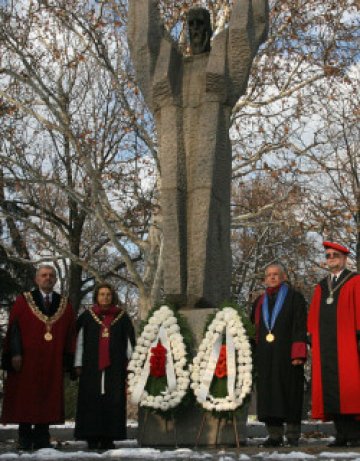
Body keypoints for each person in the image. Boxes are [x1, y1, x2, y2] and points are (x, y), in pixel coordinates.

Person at [128, 0, 269, 308]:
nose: (195, 31)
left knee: (204, 210)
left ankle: (203, 291)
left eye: (200, 25)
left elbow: (249, 26)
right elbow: (142, 41)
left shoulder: (223, 60)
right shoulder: (170, 68)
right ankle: (179, 292)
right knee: (175, 206)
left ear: (208, 28)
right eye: (190, 25)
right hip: (174, 141)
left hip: (210, 145)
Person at [1, 265, 76, 450]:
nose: (47, 278)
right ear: (37, 279)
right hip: (27, 360)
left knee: (47, 396)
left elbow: (70, 333)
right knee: (25, 396)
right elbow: (15, 329)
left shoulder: (64, 304)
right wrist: (15, 353)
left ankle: (42, 437)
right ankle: (25, 437)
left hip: (52, 360)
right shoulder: (24, 300)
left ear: (56, 280)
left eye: (51, 275)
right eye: (43, 275)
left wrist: (68, 360)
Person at [308, 241, 360, 447]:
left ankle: (355, 434)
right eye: (328, 256)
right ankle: (341, 435)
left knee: (350, 389)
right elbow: (313, 316)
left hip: (348, 345)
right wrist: (313, 337)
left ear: (344, 258)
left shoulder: (355, 281)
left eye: (335, 255)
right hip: (326, 347)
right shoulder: (321, 286)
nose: (331, 259)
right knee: (331, 389)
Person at [74, 283, 135, 450]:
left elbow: (129, 343)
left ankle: (109, 437)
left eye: (108, 294)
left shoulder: (121, 317)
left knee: (113, 401)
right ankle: (91, 437)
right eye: (102, 294)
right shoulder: (87, 317)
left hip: (115, 368)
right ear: (96, 297)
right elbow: (79, 342)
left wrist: (132, 363)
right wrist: (78, 363)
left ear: (112, 296)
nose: (105, 297)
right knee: (91, 401)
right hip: (90, 368)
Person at [251, 263, 307, 447]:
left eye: (276, 274)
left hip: (287, 355)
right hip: (266, 356)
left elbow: (300, 326)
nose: (272, 277)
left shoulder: (294, 298)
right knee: (269, 394)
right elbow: (254, 329)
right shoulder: (259, 302)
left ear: (283, 277)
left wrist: (298, 353)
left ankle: (292, 434)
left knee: (290, 392)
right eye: (269, 275)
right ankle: (274, 434)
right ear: (265, 279)